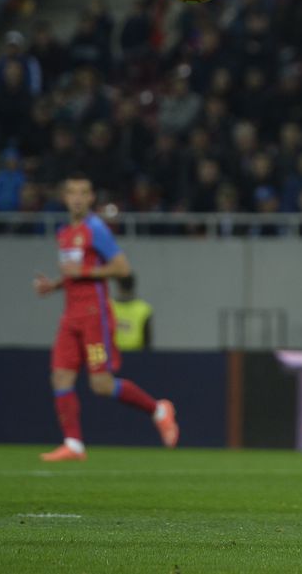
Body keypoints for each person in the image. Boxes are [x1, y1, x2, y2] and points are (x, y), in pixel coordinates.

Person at [33, 174, 178, 461]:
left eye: (83, 192)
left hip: (93, 316)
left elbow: (122, 268)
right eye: (71, 192)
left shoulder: (95, 229)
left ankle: (159, 409)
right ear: (64, 197)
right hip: (70, 316)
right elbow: (74, 271)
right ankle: (73, 443)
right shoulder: (63, 233)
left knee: (101, 384)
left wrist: (83, 274)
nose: (76, 198)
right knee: (60, 376)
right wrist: (55, 285)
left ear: (90, 198)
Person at [111, 275, 154, 352]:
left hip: (113, 357)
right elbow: (147, 341)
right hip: (136, 358)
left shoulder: (108, 307)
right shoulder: (144, 308)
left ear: (118, 287)